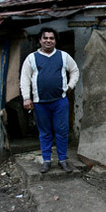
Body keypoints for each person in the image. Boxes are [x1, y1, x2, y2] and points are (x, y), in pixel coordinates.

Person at [20, 27, 79, 173]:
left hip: (60, 101)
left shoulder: (63, 56)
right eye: (45, 38)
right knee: (45, 132)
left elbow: (75, 70)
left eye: (51, 38)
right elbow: (25, 79)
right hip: (40, 103)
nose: (48, 41)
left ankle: (63, 160)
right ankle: (46, 161)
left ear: (55, 41)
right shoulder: (32, 58)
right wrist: (27, 98)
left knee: (62, 131)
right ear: (40, 40)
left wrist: (70, 86)